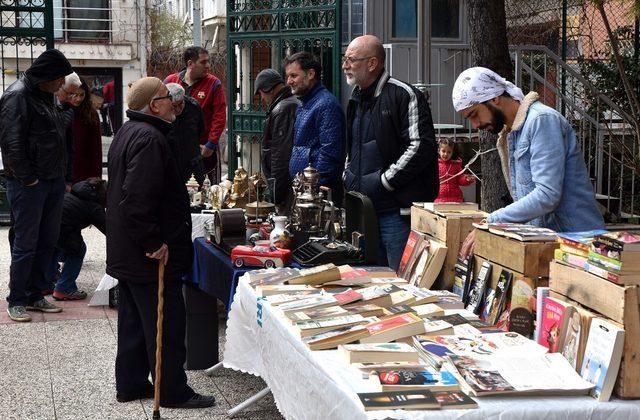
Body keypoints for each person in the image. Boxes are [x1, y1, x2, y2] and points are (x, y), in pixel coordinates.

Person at [106, 77, 215, 408]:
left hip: (128, 251)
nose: (174, 105)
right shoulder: (149, 138)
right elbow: (137, 200)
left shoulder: (128, 131)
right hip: (146, 254)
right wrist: (154, 242)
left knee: (134, 323)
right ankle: (171, 391)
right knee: (163, 323)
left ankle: (131, 382)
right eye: (169, 98)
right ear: (154, 105)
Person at [453, 67, 605, 257]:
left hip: (578, 245)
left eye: (474, 114)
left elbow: (547, 194)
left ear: (494, 98)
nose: (475, 125)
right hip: (552, 243)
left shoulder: (542, 120)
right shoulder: (512, 133)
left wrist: (493, 220)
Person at [342, 35, 438, 270]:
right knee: (371, 283)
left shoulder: (404, 95)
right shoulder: (355, 98)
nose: (345, 64)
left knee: (400, 285)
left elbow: (420, 146)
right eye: (345, 59)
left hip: (396, 214)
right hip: (364, 212)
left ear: (372, 63)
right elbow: (353, 146)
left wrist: (384, 182)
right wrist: (348, 175)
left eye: (351, 59)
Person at [0, 49, 73, 322]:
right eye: (59, 78)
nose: (62, 84)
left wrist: (62, 176)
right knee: (26, 244)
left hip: (52, 180)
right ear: (47, 76)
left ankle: (35, 294)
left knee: (47, 241)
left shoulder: (46, 94)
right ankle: (17, 299)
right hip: (29, 183)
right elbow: (11, 143)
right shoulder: (17, 95)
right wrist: (28, 178)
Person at [285, 52, 345, 204]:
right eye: (288, 76)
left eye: (293, 76)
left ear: (310, 74)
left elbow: (330, 153)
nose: (289, 81)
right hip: (306, 193)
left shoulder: (325, 105)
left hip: (317, 197)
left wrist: (312, 189)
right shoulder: (306, 104)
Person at [164, 46, 227, 184]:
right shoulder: (170, 81)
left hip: (204, 150)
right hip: (176, 149)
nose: (208, 66)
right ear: (190, 64)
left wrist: (210, 145)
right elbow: (160, 110)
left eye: (208, 61)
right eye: (203, 62)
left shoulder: (214, 84)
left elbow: (220, 117)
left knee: (209, 190)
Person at [49, 178, 106, 300]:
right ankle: (64, 288)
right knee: (78, 250)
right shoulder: (94, 207)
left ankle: (47, 281)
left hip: (50, 222)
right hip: (64, 228)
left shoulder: (75, 193)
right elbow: (109, 230)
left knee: (55, 247)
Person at [254, 68, 300, 214]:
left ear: (269, 89)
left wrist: (276, 193)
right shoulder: (285, 105)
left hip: (285, 185)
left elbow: (280, 155)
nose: (262, 98)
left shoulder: (283, 108)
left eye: (261, 93)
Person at [165, 82, 206, 184]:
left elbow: (201, 130)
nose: (178, 109)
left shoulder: (193, 106)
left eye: (181, 104)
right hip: (171, 164)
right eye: (174, 106)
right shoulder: (162, 111)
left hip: (192, 162)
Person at [68, 81, 103, 184]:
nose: (78, 99)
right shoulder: (61, 111)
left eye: (82, 95)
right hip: (66, 169)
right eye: (75, 94)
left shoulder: (91, 113)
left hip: (85, 169)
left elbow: (96, 146)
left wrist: (96, 175)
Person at [436, 138, 475, 203]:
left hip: (456, 198)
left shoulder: (456, 165)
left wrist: (467, 179)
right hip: (439, 198)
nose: (446, 154)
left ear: (452, 153)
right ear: (439, 150)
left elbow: (460, 179)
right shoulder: (435, 165)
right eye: (443, 151)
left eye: (449, 152)